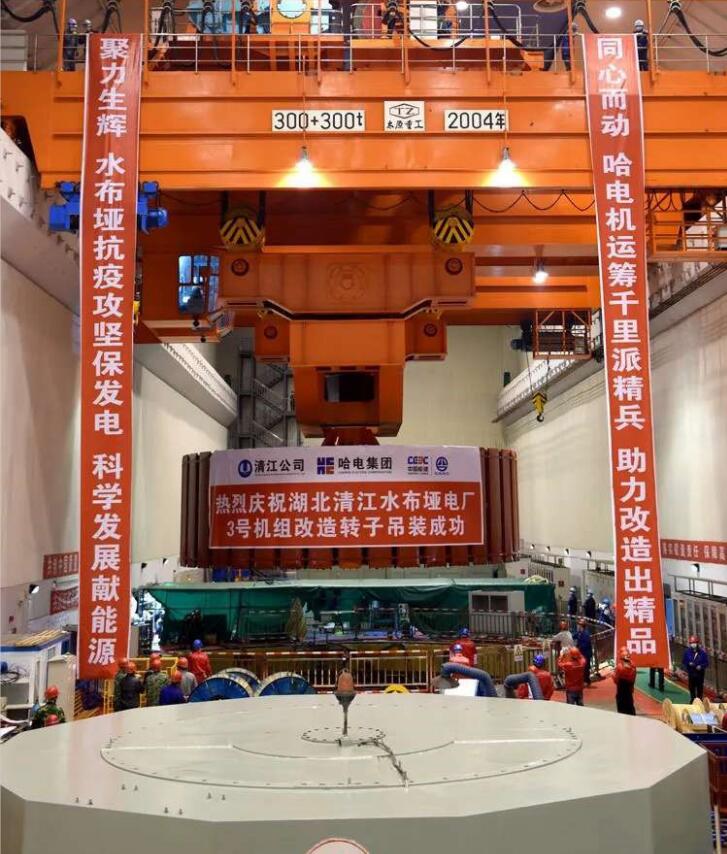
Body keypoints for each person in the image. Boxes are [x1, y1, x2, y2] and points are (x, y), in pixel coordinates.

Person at [682, 636, 709, 702]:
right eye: (691, 643)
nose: (693, 644)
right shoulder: (687, 652)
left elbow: (706, 663)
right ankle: (692, 700)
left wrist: (701, 666)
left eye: (694, 643)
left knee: (699, 688)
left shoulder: (702, 653)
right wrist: (689, 663)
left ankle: (699, 700)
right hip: (691, 673)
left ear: (697, 643)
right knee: (691, 687)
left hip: (699, 674)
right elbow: (684, 661)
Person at [612, 647, 637, 715]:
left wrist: (612, 674)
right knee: (630, 707)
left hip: (621, 692)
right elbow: (633, 678)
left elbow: (616, 680)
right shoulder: (633, 666)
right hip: (629, 691)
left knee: (622, 709)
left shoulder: (619, 667)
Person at [573, 618, 593, 686]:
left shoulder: (586, 634)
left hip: (586, 653)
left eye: (578, 625)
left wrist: (578, 648)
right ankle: (585, 680)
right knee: (583, 668)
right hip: (582, 653)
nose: (577, 626)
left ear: (581, 626)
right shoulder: (579, 632)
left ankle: (587, 681)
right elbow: (573, 636)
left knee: (586, 668)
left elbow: (586, 644)